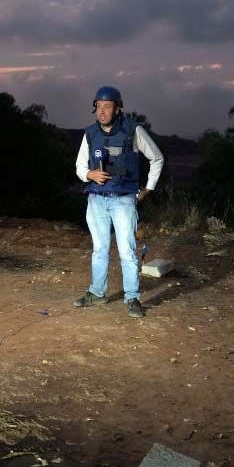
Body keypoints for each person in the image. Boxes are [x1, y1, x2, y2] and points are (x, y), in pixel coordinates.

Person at [73, 86, 164, 318]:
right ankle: (97, 293)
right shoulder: (90, 133)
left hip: (123, 200)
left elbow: (157, 158)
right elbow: (80, 165)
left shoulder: (133, 131)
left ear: (117, 108)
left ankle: (132, 298)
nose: (102, 111)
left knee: (127, 252)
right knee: (99, 250)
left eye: (107, 107)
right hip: (96, 200)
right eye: (98, 107)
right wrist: (89, 175)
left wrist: (148, 188)